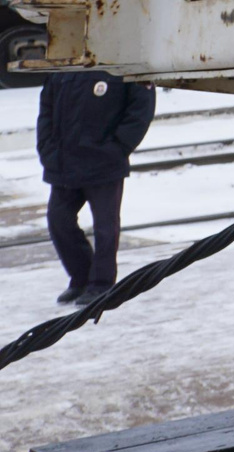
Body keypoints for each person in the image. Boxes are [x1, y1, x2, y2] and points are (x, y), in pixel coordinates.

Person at [36, 70, 156, 306]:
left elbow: (140, 110)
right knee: (59, 221)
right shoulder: (64, 65)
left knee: (105, 228)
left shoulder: (123, 61)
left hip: (104, 163)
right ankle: (81, 278)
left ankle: (102, 285)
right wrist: (47, 150)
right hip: (64, 162)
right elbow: (46, 111)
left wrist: (117, 148)